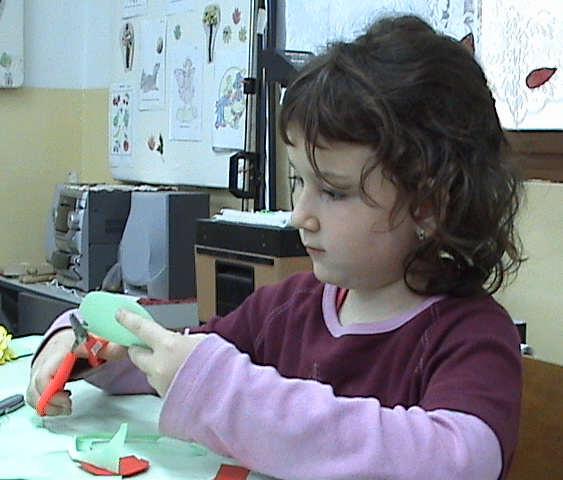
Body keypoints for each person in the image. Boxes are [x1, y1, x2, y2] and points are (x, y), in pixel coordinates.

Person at [27, 14, 525, 480]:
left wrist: (225, 395)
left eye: (333, 191)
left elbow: (458, 462)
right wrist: (79, 342)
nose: (299, 215)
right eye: (299, 181)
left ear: (429, 205)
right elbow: (171, 362)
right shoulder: (285, 308)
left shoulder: (472, 337)